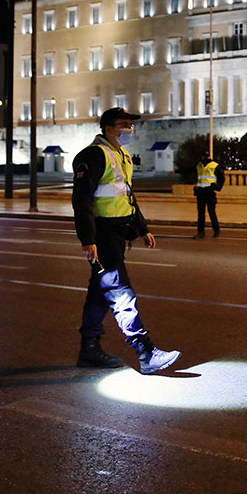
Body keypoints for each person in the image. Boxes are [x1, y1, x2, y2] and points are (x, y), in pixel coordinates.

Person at [71, 107, 181, 374]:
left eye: (130, 125)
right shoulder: (93, 155)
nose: (129, 129)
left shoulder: (121, 155)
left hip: (118, 234)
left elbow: (126, 195)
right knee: (120, 291)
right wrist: (88, 238)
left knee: (100, 293)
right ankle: (145, 351)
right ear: (109, 127)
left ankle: (89, 349)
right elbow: (82, 199)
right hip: (103, 235)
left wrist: (142, 229)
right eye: (124, 125)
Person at [193, 150, 224, 238]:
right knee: (201, 213)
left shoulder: (214, 165)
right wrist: (175, 171)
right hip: (201, 192)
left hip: (210, 192)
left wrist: (218, 189)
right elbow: (188, 170)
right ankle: (201, 232)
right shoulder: (199, 165)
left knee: (211, 212)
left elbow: (221, 178)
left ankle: (216, 231)